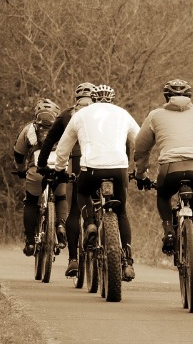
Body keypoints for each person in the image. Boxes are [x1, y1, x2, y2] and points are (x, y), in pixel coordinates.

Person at [133, 79, 193, 293]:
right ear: (190, 97)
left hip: (169, 169)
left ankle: (168, 231)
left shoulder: (155, 115)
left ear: (166, 97)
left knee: (163, 196)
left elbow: (141, 147)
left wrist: (141, 174)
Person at [52, 84, 140, 281]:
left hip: (91, 168)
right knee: (122, 212)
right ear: (112, 99)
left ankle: (90, 223)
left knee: (81, 193)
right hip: (119, 168)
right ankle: (127, 262)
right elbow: (140, 140)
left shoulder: (80, 115)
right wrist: (142, 166)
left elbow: (63, 148)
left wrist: (59, 170)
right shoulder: (123, 114)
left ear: (93, 98)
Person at [36, 82, 95, 277]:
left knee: (76, 210)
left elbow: (50, 141)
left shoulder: (68, 114)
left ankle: (73, 260)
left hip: (76, 160)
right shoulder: (104, 113)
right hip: (104, 162)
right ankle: (117, 252)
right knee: (106, 205)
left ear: (76, 99)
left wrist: (42, 165)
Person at [13, 98, 68, 256]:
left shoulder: (28, 129)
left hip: (36, 170)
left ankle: (30, 242)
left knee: (31, 202)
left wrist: (21, 169)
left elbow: (19, 153)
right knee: (61, 197)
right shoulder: (64, 128)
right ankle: (60, 226)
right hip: (59, 169)